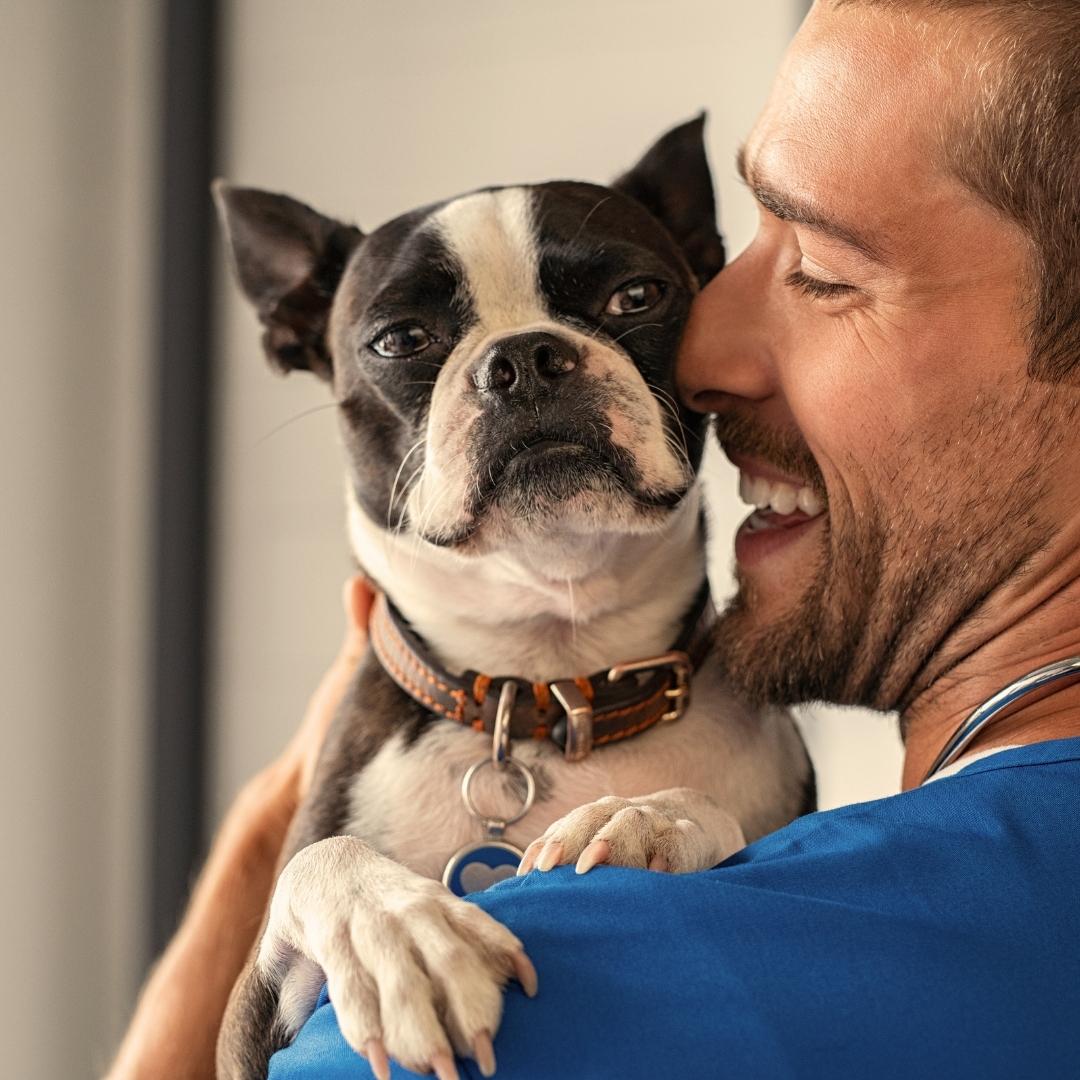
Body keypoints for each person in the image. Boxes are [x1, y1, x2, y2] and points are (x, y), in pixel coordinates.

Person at [109, 0, 1080, 1076]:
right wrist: (282, 846)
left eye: (825, 270)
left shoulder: (587, 978)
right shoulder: (952, 882)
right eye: (407, 342)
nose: (713, 349)